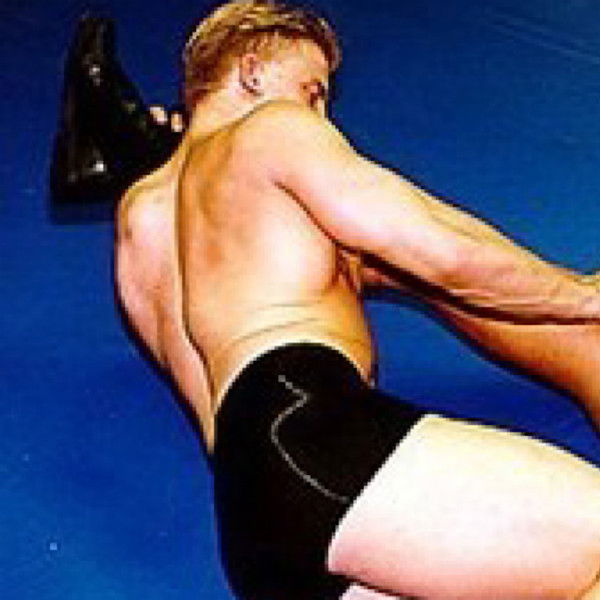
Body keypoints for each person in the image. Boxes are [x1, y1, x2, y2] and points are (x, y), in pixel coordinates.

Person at [114, 1, 600, 598]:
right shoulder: (271, 128)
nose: (320, 114)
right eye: (313, 91)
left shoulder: (140, 218)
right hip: (317, 436)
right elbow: (440, 251)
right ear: (252, 70)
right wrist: (584, 297)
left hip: (251, 527)